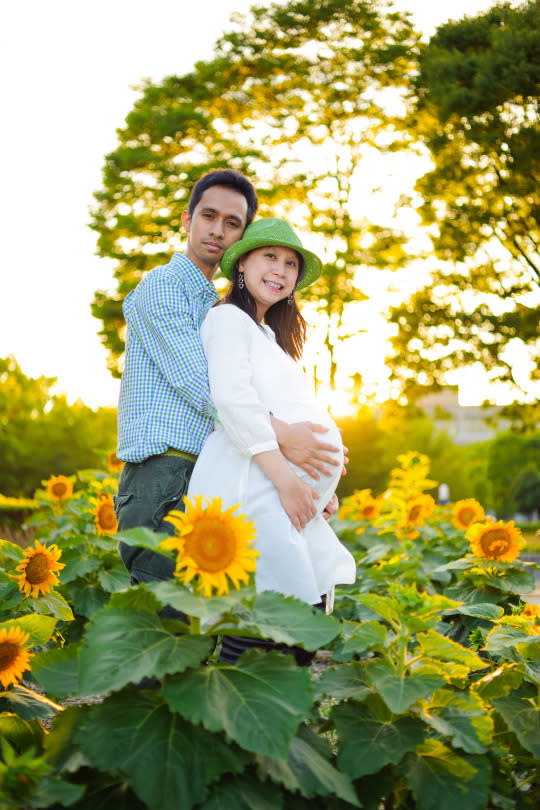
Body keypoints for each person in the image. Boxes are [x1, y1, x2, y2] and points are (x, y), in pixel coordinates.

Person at [114, 171, 344, 592]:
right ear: (187, 220)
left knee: (206, 623)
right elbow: (203, 387)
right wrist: (288, 439)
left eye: (232, 223)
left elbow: (245, 406)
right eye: (208, 216)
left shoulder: (219, 306)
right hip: (164, 474)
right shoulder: (163, 286)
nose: (217, 230)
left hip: (208, 474)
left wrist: (313, 470)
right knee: (166, 617)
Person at [186, 218, 357, 663]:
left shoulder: (270, 338)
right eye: (270, 257)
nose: (281, 269)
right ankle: (240, 727)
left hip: (280, 492)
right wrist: (291, 483)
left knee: (299, 620)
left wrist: (320, 486)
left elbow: (285, 411)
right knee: (267, 625)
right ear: (242, 263)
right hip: (255, 487)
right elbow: (233, 401)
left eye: (291, 264)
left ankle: (267, 727)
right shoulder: (227, 320)